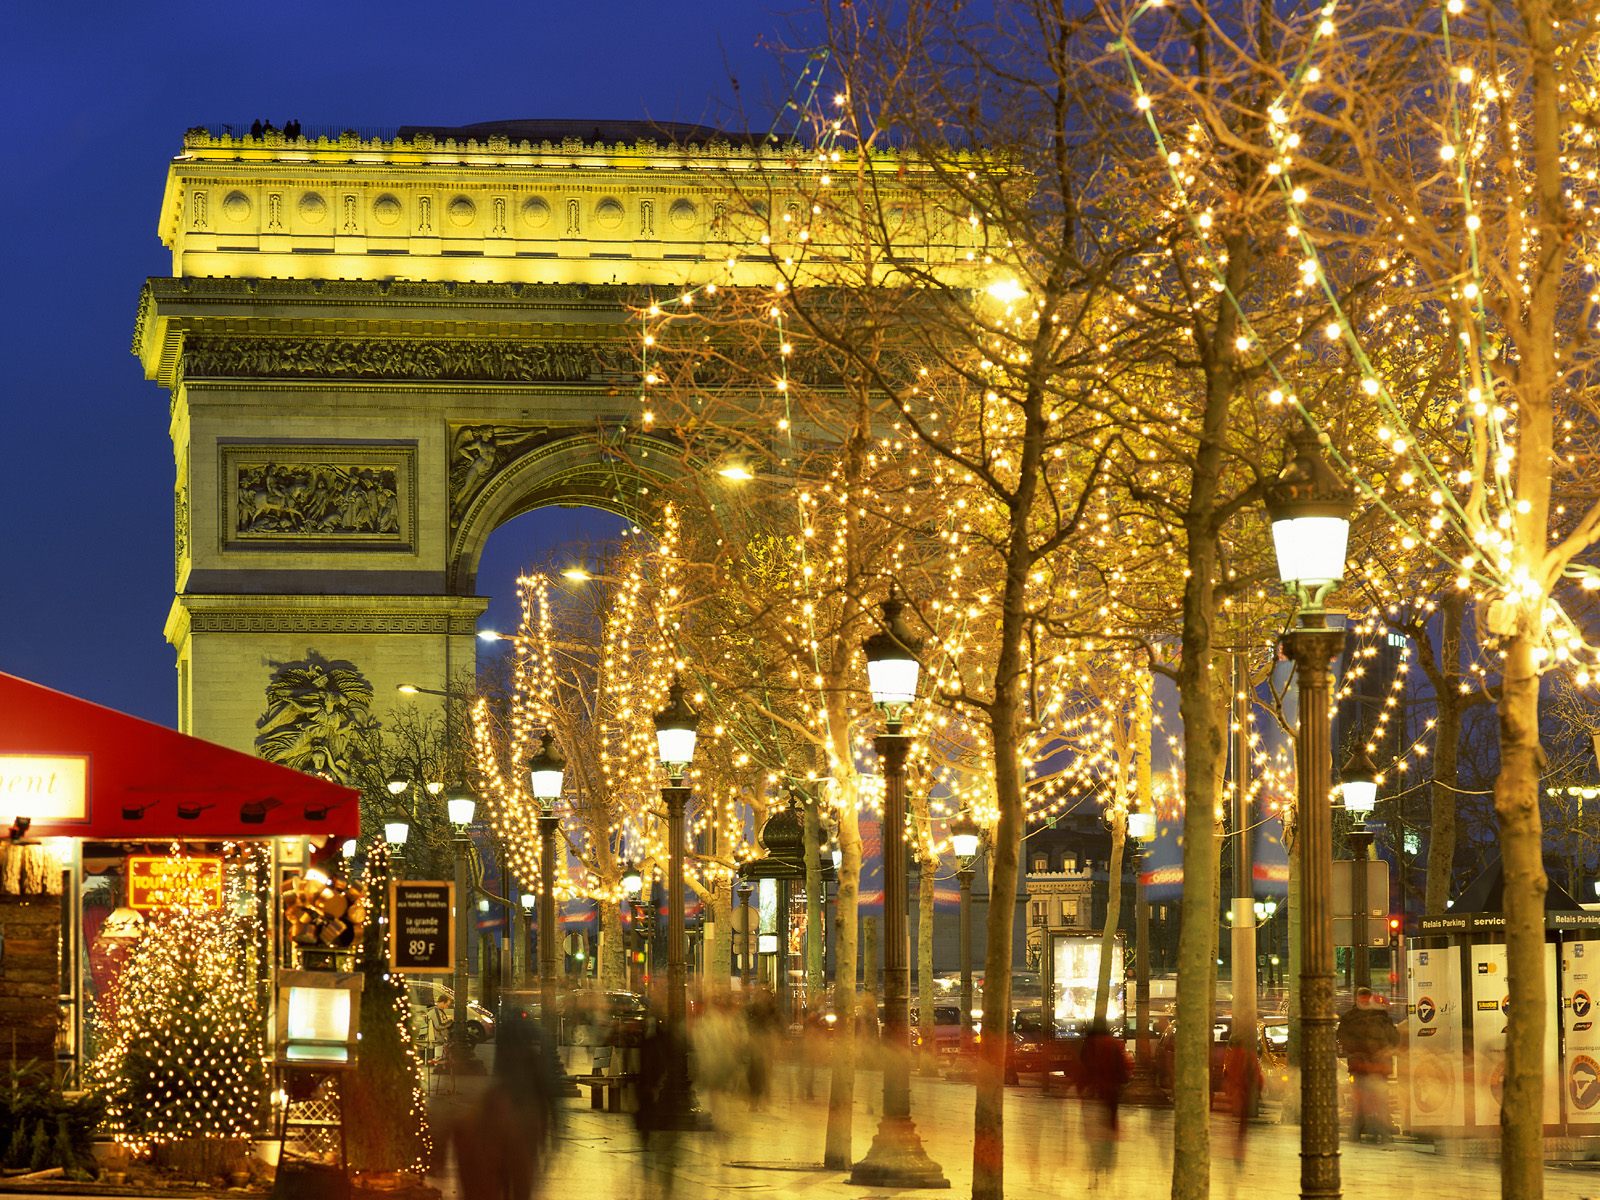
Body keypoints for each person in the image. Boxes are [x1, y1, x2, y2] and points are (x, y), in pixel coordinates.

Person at [1336, 986, 1399, 1142]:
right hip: (1373, 1067)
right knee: (1374, 1100)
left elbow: (1343, 1038)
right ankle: (1379, 1132)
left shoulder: (1352, 1018)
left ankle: (1357, 1132)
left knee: (1364, 1101)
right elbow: (1393, 1039)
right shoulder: (1380, 1017)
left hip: (1364, 1067)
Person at [1078, 1019, 1131, 1189]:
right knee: (1109, 1130)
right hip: (1110, 1094)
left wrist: (1082, 1088)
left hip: (1092, 1093)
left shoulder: (1088, 1044)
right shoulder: (1114, 1044)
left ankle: (1094, 1172)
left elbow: (1082, 1067)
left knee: (1092, 1134)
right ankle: (1108, 1167)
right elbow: (1123, 1070)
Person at [427, 993, 454, 1066]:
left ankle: (442, 1061)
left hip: (439, 1036)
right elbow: (439, 1025)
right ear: (442, 1002)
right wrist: (450, 1021)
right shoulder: (436, 1012)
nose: (447, 1007)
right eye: (447, 1005)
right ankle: (441, 1062)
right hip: (439, 1037)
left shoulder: (438, 1011)